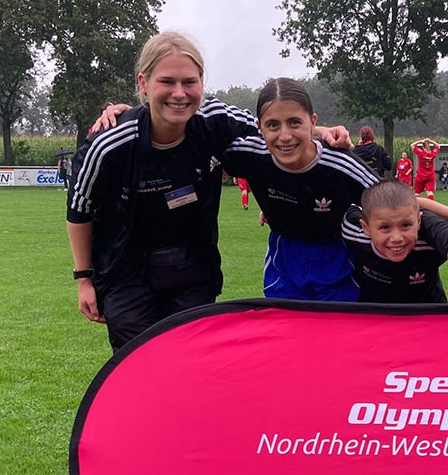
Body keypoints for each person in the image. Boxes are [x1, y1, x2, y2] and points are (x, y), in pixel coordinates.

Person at [70, 34, 352, 351]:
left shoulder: (215, 120)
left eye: (189, 81)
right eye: (167, 81)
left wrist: (319, 132)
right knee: (139, 362)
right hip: (125, 272)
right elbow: (79, 210)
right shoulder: (112, 141)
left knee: (190, 359)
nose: (179, 93)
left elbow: (270, 126)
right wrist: (84, 279)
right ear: (144, 83)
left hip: (191, 269)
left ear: (202, 82)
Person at [221, 78, 379, 301]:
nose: (284, 136)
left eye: (295, 122)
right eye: (273, 125)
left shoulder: (341, 164)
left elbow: (395, 201)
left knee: (337, 330)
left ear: (313, 122)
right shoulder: (249, 153)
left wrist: (446, 230)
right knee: (285, 329)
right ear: (260, 127)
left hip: (337, 258)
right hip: (284, 259)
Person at [340, 180, 448, 303]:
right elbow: (351, 205)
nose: (397, 238)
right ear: (365, 228)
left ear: (419, 221)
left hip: (427, 315)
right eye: (385, 227)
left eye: (405, 225)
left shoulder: (432, 244)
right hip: (376, 316)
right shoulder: (354, 233)